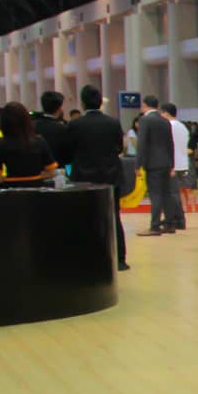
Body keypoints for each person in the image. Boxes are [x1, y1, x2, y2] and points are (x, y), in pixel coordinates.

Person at [69, 85, 129, 270]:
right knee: (113, 216)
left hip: (84, 177)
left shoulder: (75, 125)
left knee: (86, 218)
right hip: (111, 175)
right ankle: (119, 259)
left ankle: (88, 257)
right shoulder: (113, 123)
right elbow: (119, 147)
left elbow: (69, 150)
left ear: (83, 102)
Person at [136, 96, 176, 236]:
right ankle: (170, 223)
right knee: (167, 193)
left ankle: (154, 226)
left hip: (153, 163)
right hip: (166, 162)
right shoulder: (165, 121)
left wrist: (137, 164)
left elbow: (141, 144)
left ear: (145, 105)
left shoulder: (145, 120)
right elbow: (170, 143)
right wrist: (172, 163)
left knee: (155, 194)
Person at [0, 102, 57, 184]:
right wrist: (36, 177)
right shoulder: (39, 141)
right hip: (36, 190)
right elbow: (51, 172)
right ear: (26, 120)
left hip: (12, 192)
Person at [164, 103, 195, 222]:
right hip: (183, 162)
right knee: (184, 189)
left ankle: (178, 214)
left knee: (175, 191)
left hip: (173, 163)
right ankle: (188, 210)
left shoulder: (168, 126)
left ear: (166, 113)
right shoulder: (183, 126)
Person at [35, 91, 74, 170]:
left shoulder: (31, 126)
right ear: (59, 108)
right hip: (58, 172)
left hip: (36, 172)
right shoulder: (63, 129)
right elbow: (68, 157)